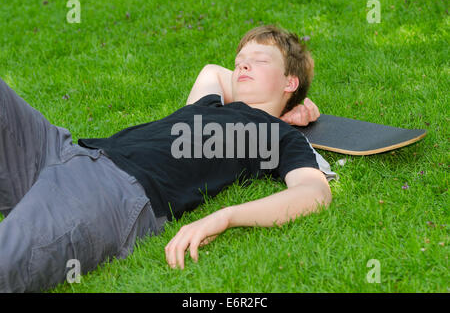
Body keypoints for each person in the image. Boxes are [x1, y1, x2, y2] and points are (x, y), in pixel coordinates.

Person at [0, 25, 336, 292]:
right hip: (59, 151)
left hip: (108, 192)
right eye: (239, 61)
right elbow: (213, 71)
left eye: (260, 60)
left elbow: (314, 193)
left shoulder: (275, 135)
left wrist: (226, 217)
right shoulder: (209, 104)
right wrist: (292, 104)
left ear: (290, 81)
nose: (242, 65)